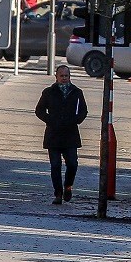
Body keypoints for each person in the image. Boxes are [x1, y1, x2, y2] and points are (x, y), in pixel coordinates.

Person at [34, 65, 88, 204]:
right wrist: (50, 120)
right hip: (54, 135)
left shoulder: (76, 92)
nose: (64, 78)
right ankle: (58, 193)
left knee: (72, 164)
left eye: (67, 76)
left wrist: (76, 120)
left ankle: (68, 186)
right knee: (55, 165)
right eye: (62, 76)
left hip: (70, 135)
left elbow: (83, 110)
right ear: (56, 77)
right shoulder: (49, 92)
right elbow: (39, 110)